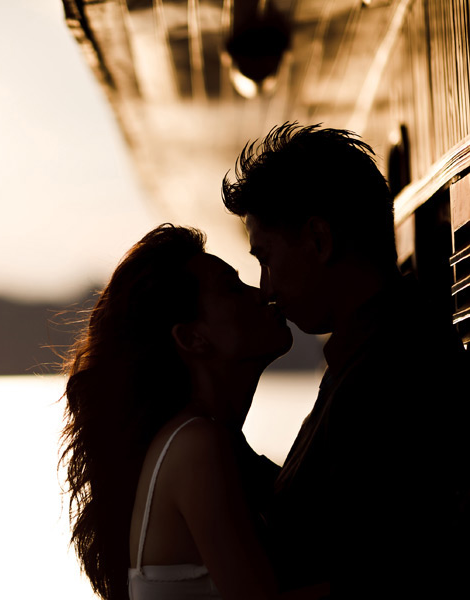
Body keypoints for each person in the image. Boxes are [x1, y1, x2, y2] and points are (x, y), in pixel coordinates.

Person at [222, 123, 469, 597]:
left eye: (266, 258)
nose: (266, 288)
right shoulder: (376, 353)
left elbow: (372, 568)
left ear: (319, 240)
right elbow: (328, 514)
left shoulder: (392, 375)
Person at [59, 223, 296, 600]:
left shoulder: (209, 442)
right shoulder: (196, 445)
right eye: (233, 287)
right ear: (192, 338)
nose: (263, 294)